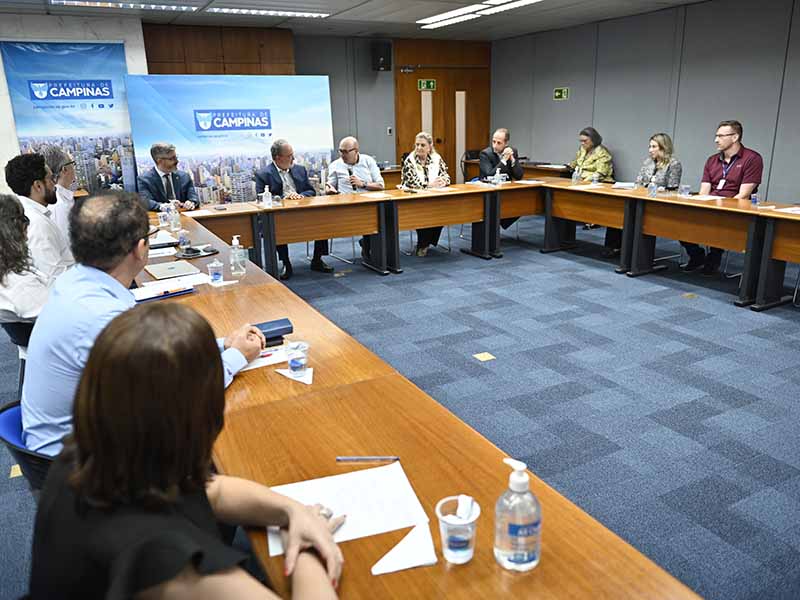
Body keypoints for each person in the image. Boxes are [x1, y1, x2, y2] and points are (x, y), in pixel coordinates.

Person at [29, 303, 343, 599]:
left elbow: (211, 491)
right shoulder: (168, 566)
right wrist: (304, 552)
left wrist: (293, 511)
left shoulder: (88, 456)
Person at [21, 191, 265, 457]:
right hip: (84, 464)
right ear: (140, 248)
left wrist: (220, 345)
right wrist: (236, 356)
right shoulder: (103, 317)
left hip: (82, 435)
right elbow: (177, 398)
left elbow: (152, 362)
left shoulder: (75, 282)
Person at [682, 120, 763, 275]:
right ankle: (696, 255)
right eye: (716, 135)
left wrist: (723, 206)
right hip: (711, 203)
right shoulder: (712, 160)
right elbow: (704, 190)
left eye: (720, 136)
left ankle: (715, 255)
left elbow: (744, 194)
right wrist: (698, 203)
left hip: (735, 206)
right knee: (680, 219)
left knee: (719, 221)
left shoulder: (752, 159)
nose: (716, 140)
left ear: (735, 137)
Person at [255, 139, 333, 280]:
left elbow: (311, 191)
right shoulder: (263, 174)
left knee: (322, 219)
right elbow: (261, 198)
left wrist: (300, 196)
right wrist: (284, 198)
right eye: (290, 155)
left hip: (303, 210)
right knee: (276, 226)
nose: (293, 158)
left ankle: (317, 259)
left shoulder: (299, 169)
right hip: (280, 213)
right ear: (278, 158)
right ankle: (286, 263)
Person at [4, 154, 74, 286]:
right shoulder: (36, 224)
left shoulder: (28, 214)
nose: (54, 183)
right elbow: (55, 278)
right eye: (50, 178)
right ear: (38, 186)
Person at [326, 136, 385, 260]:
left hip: (369, 203)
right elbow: (330, 185)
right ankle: (368, 246)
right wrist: (329, 189)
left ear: (356, 150)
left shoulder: (368, 161)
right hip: (347, 205)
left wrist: (363, 184)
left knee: (382, 215)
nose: (343, 155)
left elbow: (381, 185)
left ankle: (374, 249)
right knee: (371, 218)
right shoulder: (335, 165)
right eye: (341, 151)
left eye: (346, 152)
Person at [0, 194, 49, 322]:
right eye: (24, 220)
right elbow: (64, 317)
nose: (27, 236)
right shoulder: (19, 285)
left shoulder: (8, 268)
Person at [401, 131, 451, 256]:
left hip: (434, 197)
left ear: (430, 147)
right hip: (413, 198)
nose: (419, 148)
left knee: (443, 213)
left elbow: (447, 176)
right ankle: (423, 244)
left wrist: (442, 181)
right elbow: (412, 183)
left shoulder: (436, 159)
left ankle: (425, 243)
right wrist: (429, 185)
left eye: (422, 145)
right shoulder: (409, 161)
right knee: (425, 213)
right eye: (417, 145)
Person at [479, 128, 524, 229]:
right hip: (487, 190)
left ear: (506, 143)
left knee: (523, 203)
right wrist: (503, 160)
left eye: (499, 143)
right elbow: (489, 175)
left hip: (505, 190)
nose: (495, 145)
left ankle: (502, 221)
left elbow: (519, 176)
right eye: (493, 141)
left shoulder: (513, 151)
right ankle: (496, 223)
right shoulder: (485, 154)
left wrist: (512, 160)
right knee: (496, 207)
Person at [137, 142, 198, 212]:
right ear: (159, 161)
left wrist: (191, 202)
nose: (177, 161)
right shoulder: (144, 179)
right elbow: (146, 201)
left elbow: (193, 197)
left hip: (185, 216)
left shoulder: (184, 176)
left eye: (176, 157)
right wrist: (163, 206)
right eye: (172, 158)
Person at [40, 145, 77, 241]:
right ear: (64, 169)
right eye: (72, 163)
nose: (74, 167)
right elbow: (69, 246)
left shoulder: (60, 198)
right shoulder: (60, 206)